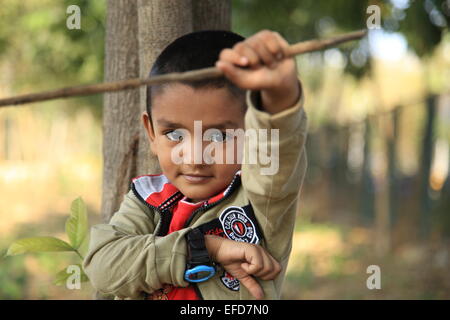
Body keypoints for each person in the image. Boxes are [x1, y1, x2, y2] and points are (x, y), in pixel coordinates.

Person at [83, 29, 308, 300]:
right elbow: (103, 266)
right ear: (151, 133)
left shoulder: (262, 198)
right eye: (175, 135)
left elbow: (278, 152)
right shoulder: (149, 199)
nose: (194, 157)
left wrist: (281, 96)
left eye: (219, 136)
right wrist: (203, 248)